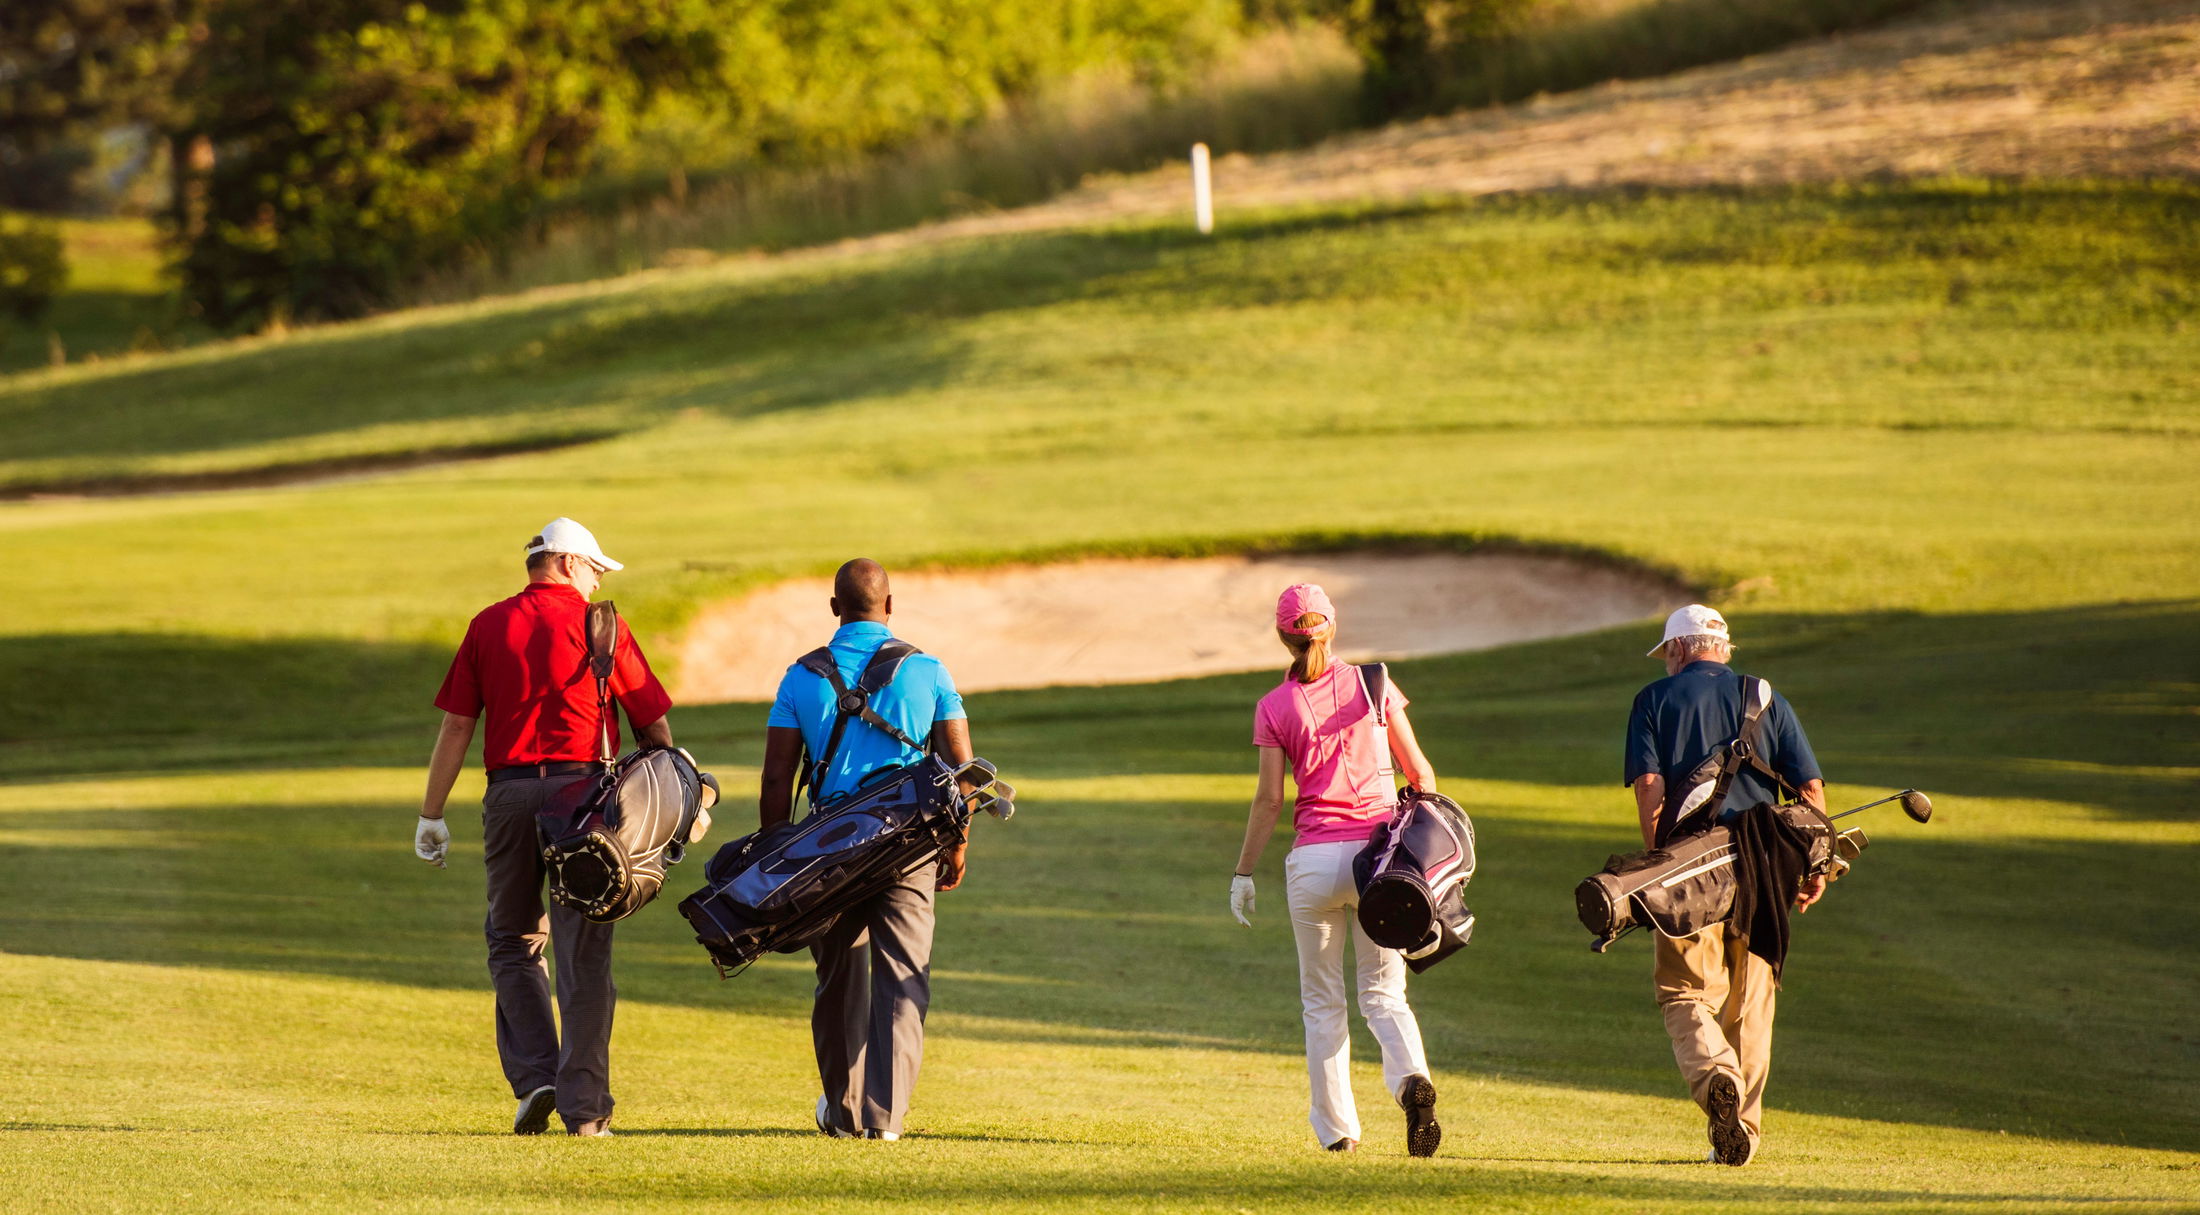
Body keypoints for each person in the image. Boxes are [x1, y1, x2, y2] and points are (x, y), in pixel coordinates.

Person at [415, 517, 677, 1138]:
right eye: (593, 568)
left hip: (507, 795)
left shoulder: (487, 623)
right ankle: (585, 1113)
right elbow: (653, 726)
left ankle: (537, 1078)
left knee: (511, 939)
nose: (595, 581)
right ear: (565, 563)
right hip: (583, 799)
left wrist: (431, 813)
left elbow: (457, 727)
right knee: (582, 954)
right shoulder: (600, 625)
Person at [757, 558, 974, 1142]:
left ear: (835, 608)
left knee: (838, 983)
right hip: (910, 844)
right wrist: (957, 845)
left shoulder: (800, 676)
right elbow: (962, 770)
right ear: (890, 605)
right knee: (903, 978)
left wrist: (773, 858)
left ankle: (843, 1110)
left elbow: (778, 779)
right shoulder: (929, 670)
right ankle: (885, 1120)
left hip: (826, 850)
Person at [1229, 583, 1445, 1157]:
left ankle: (1338, 1135)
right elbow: (1420, 774)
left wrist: (1243, 873)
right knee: (1384, 994)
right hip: (1379, 863)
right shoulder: (1372, 683)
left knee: (1322, 1004)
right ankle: (1410, 1082)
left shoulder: (1273, 706)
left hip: (1313, 865)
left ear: (1283, 637)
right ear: (1332, 625)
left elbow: (1270, 801)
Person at [1624, 604, 1827, 1166]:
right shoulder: (1764, 695)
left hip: (1689, 871)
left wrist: (1655, 862)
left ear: (1680, 648)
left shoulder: (1653, 700)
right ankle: (1741, 1137)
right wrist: (1816, 866)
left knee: (1684, 992)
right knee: (1751, 1004)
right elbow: (1810, 790)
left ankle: (1717, 1079)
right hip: (1766, 866)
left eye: (1667, 652)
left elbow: (1649, 786)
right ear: (1722, 648)